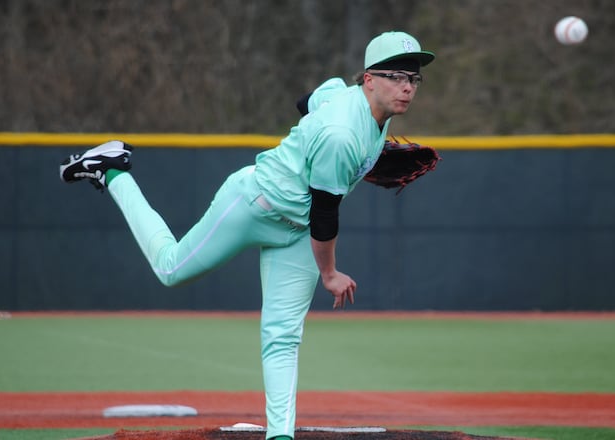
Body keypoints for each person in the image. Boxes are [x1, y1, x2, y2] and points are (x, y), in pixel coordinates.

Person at [59, 31, 435, 440]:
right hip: (253, 205)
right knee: (170, 269)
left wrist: (325, 152)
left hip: (297, 231)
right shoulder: (342, 135)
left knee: (283, 337)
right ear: (368, 79)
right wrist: (329, 275)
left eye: (414, 79)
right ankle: (112, 169)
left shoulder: (342, 98)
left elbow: (305, 103)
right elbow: (326, 215)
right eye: (396, 75)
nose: (406, 87)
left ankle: (280, 435)